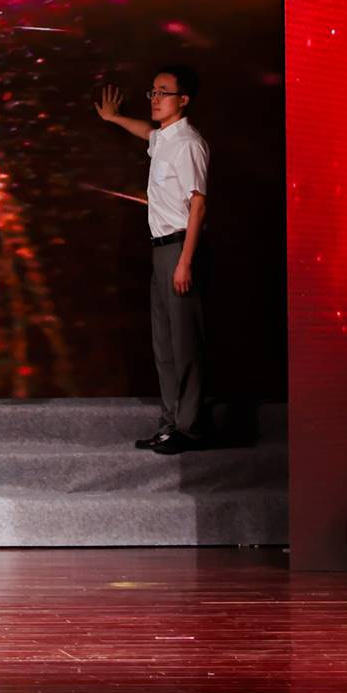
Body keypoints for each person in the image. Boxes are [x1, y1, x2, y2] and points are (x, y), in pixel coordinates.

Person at [95, 65, 211, 454]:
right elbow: (147, 132)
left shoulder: (189, 143)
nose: (155, 99)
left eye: (164, 92)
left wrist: (185, 261)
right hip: (160, 249)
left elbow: (198, 205)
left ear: (184, 100)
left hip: (179, 248)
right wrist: (113, 118)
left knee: (185, 345)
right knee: (164, 345)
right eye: (153, 92)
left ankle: (190, 428)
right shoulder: (163, 138)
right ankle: (170, 423)